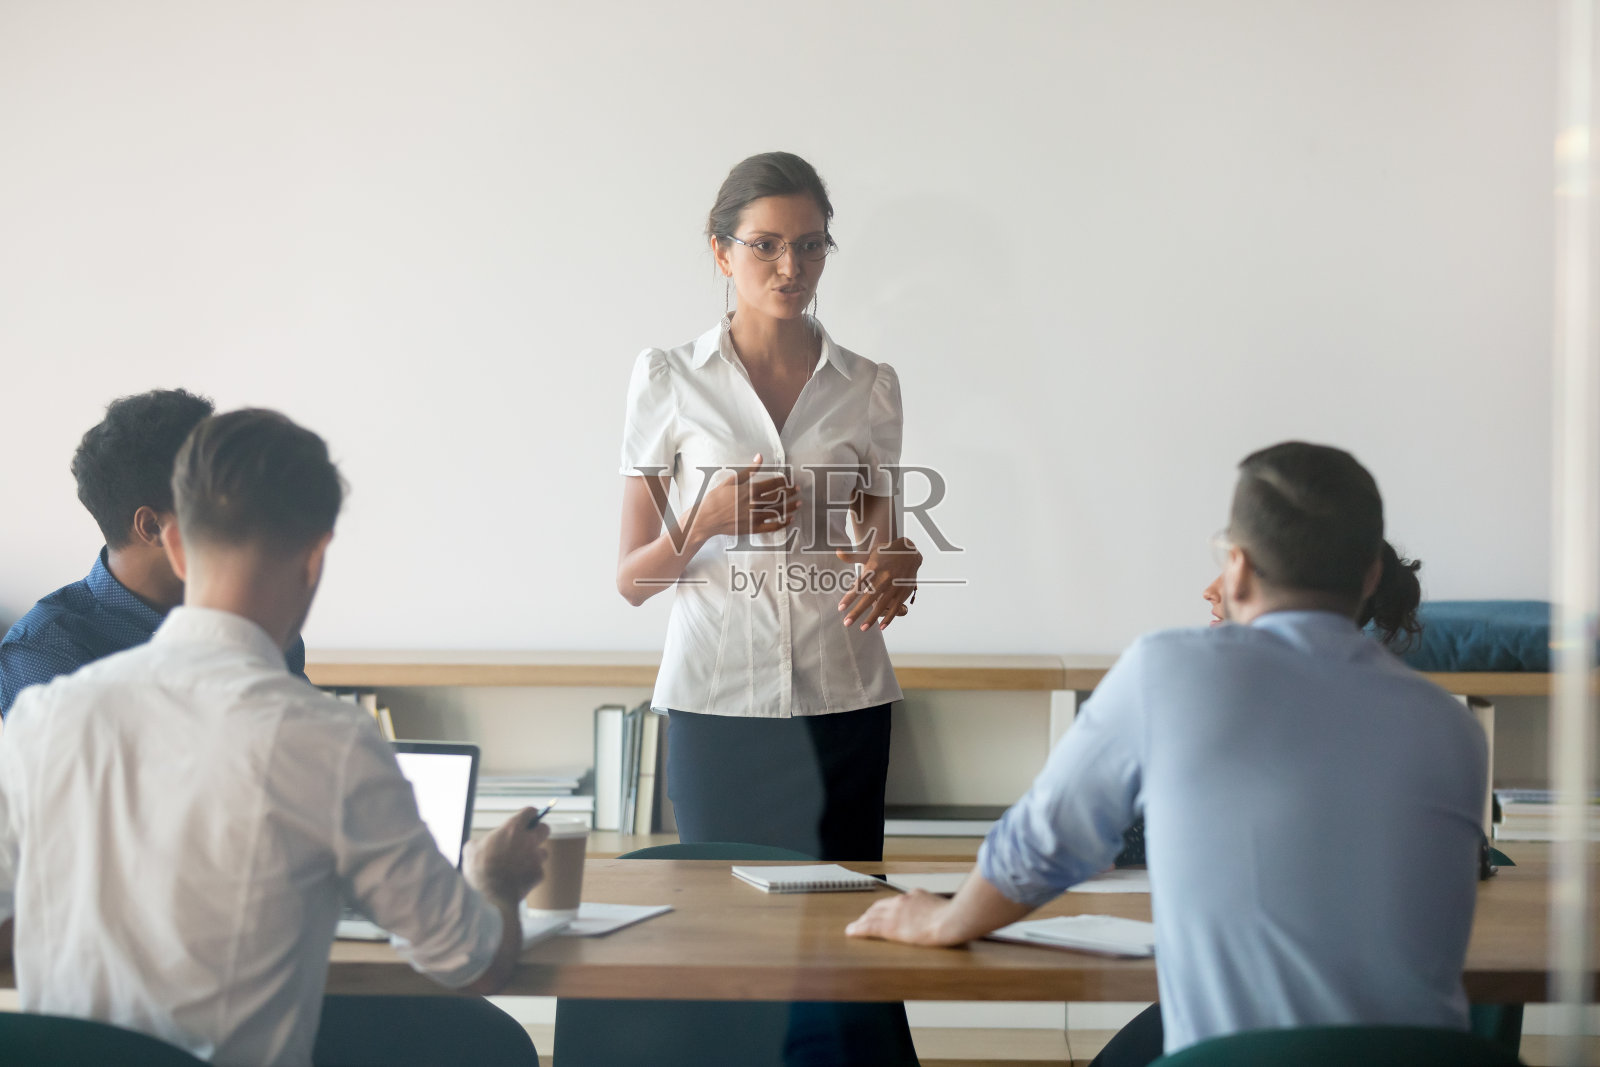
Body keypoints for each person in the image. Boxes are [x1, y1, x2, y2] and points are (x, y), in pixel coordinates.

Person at [847, 441, 1487, 1063]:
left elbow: (1042, 847)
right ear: (1372, 574)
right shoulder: (1449, 726)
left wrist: (944, 921)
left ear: (1235, 566)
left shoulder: (1169, 670)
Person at [0, 409, 550, 1065]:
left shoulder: (45, 715)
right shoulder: (331, 741)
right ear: (316, 556)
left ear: (176, 544)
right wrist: (497, 880)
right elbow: (475, 965)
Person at [616, 151, 922, 862]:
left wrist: (898, 563)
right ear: (722, 252)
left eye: (811, 245)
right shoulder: (667, 379)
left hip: (844, 704)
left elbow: (881, 551)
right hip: (717, 704)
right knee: (725, 952)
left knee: (847, 950)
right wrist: (706, 521)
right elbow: (632, 580)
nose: (792, 268)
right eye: (767, 245)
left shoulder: (869, 386)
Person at [0, 390, 308, 718]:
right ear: (151, 526)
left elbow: (303, 745)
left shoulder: (256, 614)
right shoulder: (44, 651)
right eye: (224, 499)